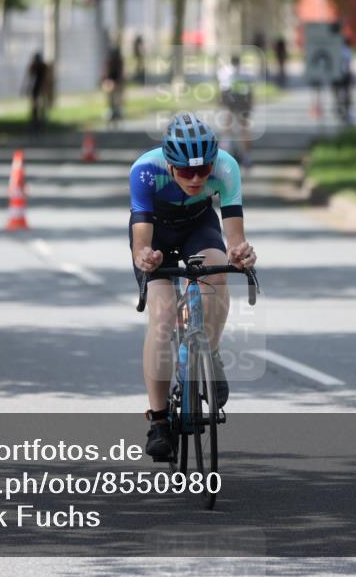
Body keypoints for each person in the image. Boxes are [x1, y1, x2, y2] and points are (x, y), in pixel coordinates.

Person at [128, 112, 257, 459]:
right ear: (169, 165)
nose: (197, 178)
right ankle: (158, 421)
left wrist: (241, 253)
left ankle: (210, 353)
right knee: (163, 313)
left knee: (218, 271)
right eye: (186, 171)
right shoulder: (144, 170)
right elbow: (142, 238)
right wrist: (145, 257)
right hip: (156, 230)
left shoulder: (227, 167)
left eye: (203, 170)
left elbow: (234, 238)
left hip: (199, 225)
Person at [217, 55, 253, 169]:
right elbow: (250, 91)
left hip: (230, 99)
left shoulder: (224, 72)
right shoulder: (246, 72)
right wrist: (251, 104)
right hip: (242, 101)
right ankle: (246, 156)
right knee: (243, 129)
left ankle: (226, 156)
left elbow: (222, 90)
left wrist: (220, 103)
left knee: (228, 129)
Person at [330, 33, 354, 123]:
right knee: (346, 93)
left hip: (340, 74)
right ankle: (344, 108)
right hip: (344, 74)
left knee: (338, 93)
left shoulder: (339, 50)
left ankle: (341, 107)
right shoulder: (348, 50)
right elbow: (349, 64)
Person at [21, 52, 49, 132]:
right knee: (35, 105)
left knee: (40, 105)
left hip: (40, 87)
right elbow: (30, 78)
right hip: (37, 88)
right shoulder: (35, 66)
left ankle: (40, 121)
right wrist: (26, 88)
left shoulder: (42, 66)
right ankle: (36, 121)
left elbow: (45, 78)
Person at [102, 47, 125, 127]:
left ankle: (118, 111)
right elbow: (105, 74)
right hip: (110, 80)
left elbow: (120, 75)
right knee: (110, 97)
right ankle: (110, 111)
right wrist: (107, 82)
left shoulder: (119, 62)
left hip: (118, 81)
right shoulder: (108, 62)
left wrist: (117, 83)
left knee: (117, 98)